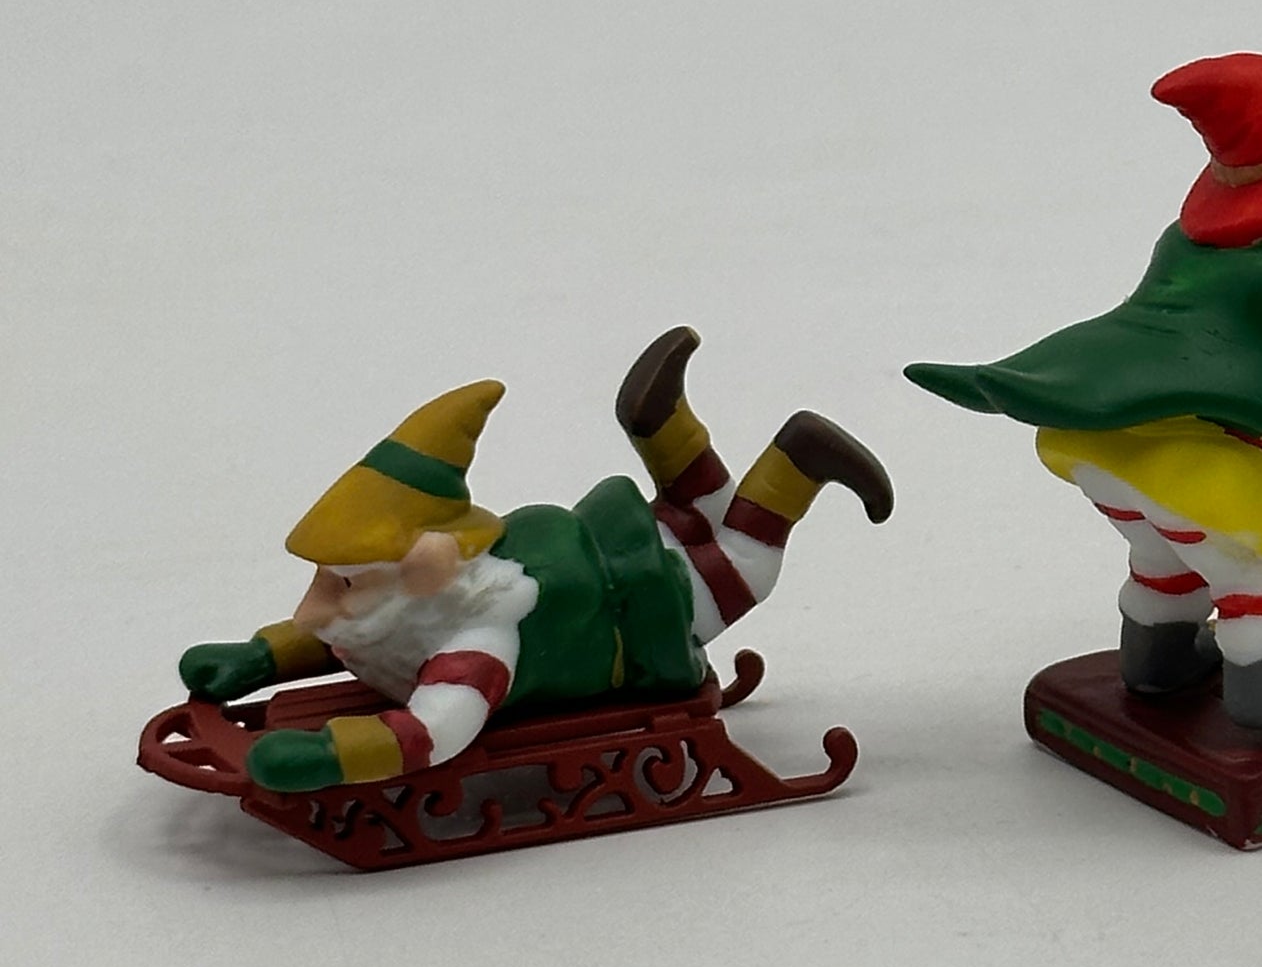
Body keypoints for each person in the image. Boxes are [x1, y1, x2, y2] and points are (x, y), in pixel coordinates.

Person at [908, 52, 1262, 736]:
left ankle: (1157, 657)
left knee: (1165, 548)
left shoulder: (1185, 246)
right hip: (1207, 459)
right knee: (1257, 553)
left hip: (1097, 448)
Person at [177, 333, 892, 790]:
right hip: (604, 553)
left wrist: (328, 757)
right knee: (691, 514)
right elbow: (338, 634)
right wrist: (259, 656)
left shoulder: (476, 646)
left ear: (429, 570)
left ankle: (795, 462)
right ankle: (663, 427)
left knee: (742, 561)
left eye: (342, 582)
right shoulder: (418, 606)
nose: (316, 606)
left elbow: (431, 734)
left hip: (650, 612)